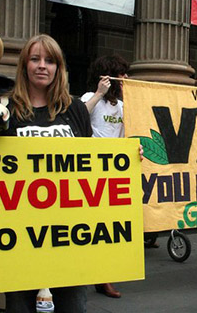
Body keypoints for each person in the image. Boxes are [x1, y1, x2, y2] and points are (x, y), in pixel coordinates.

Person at [0, 34, 92, 312]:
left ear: (59, 68)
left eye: (50, 61)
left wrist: (129, 159)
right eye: (35, 59)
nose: (42, 66)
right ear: (24, 65)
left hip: (70, 236)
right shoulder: (6, 109)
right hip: (18, 238)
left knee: (74, 306)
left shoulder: (74, 109)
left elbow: (91, 162)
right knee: (19, 306)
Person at [81, 55, 129, 298]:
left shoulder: (121, 106)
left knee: (109, 226)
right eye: (121, 75)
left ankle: (104, 277)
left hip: (113, 171)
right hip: (90, 170)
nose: (125, 79)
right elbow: (78, 119)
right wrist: (98, 94)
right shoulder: (89, 99)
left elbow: (123, 135)